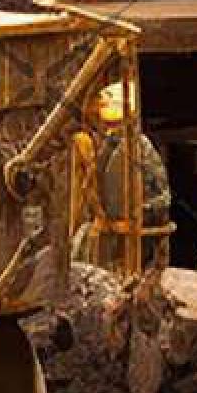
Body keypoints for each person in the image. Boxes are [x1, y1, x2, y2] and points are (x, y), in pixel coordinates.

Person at [74, 80, 174, 273]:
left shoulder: (131, 148)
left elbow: (117, 199)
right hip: (134, 218)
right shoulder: (114, 146)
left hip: (139, 220)